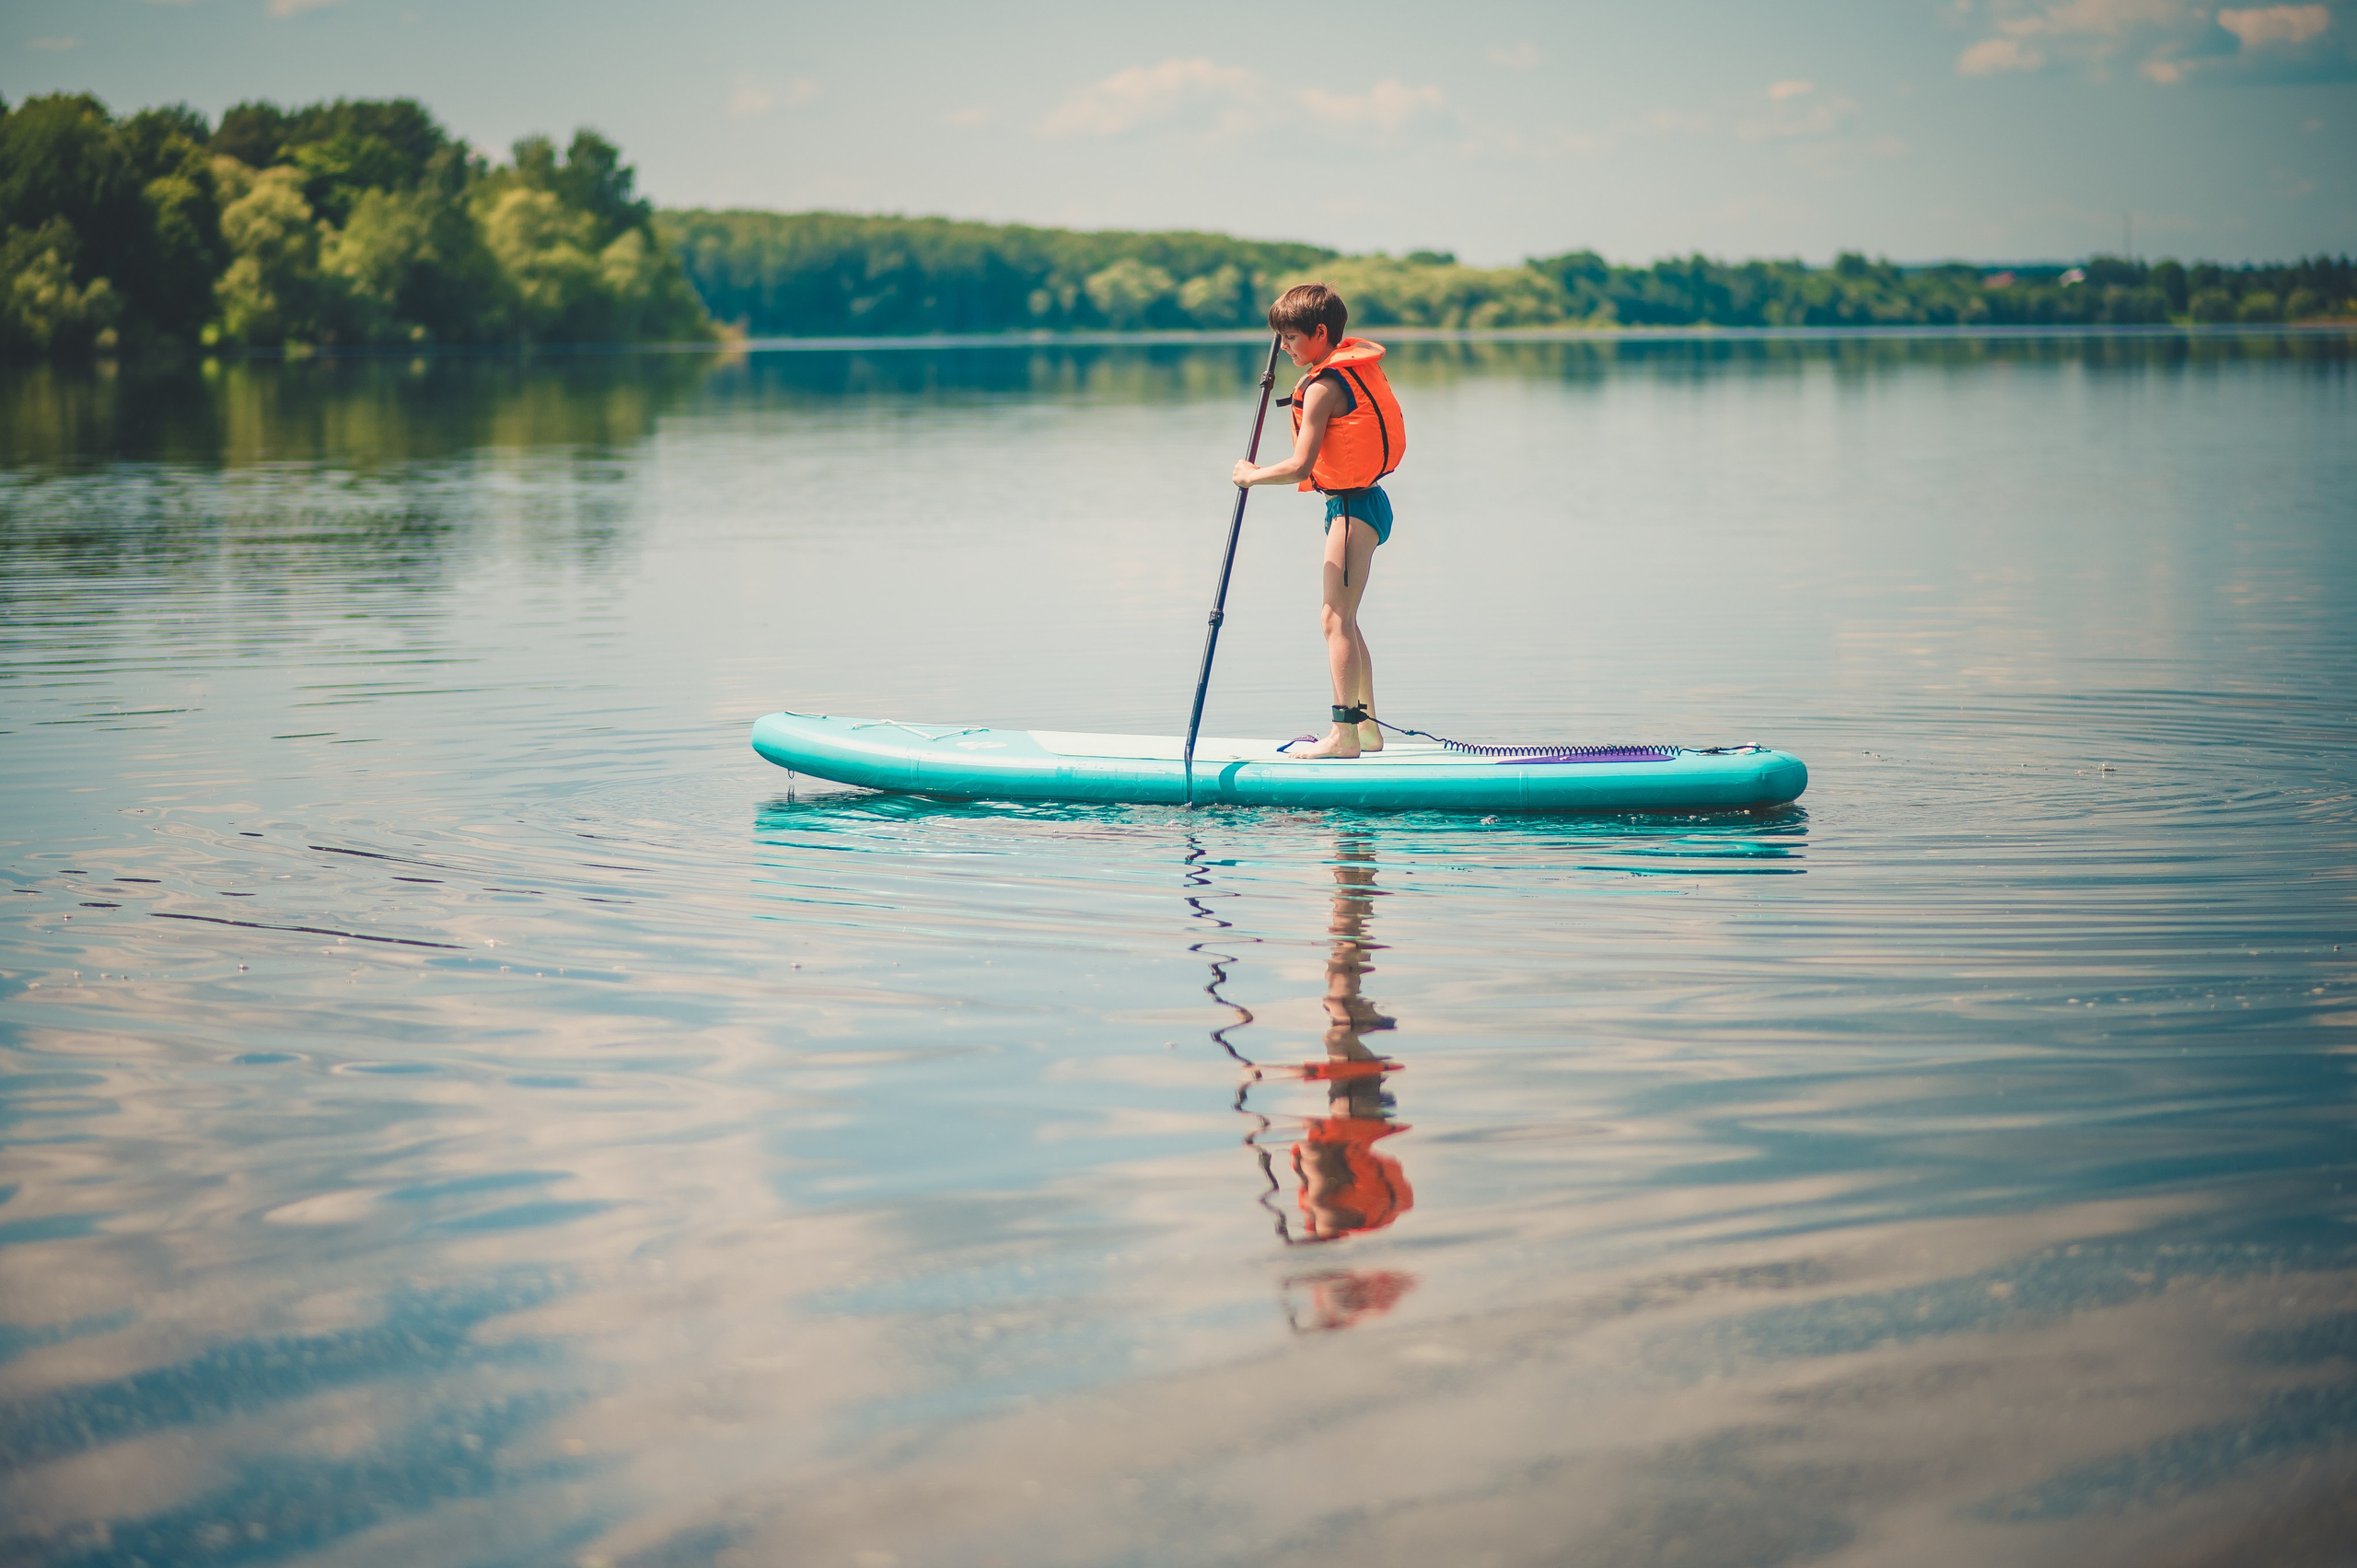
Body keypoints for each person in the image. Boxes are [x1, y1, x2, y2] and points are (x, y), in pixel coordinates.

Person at [1231, 284, 1408, 760]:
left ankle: (1344, 736)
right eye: (1281, 338)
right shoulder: (1347, 373)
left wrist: (1250, 476)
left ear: (1321, 332)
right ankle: (1366, 730)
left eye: (1291, 337)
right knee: (1345, 620)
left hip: (1352, 510)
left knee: (1334, 620)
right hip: (1362, 505)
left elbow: (1300, 467)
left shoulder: (1324, 387)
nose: (1285, 347)